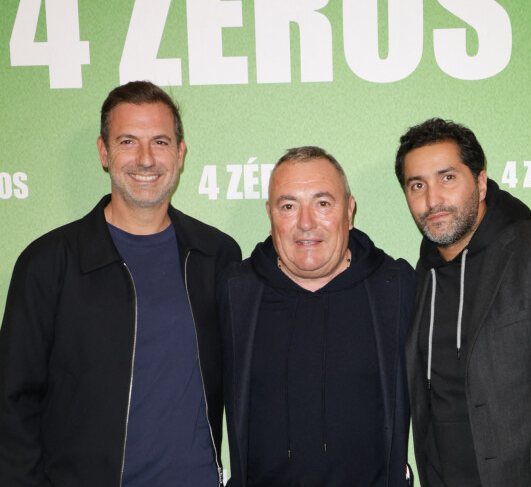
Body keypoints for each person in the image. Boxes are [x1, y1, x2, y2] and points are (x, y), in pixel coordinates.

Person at [0, 81, 241, 486]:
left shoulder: (216, 256)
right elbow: (11, 404)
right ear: (103, 152)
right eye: (128, 141)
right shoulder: (48, 263)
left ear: (180, 154)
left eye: (160, 142)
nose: (145, 159)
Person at [395, 117, 531, 487]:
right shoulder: (416, 279)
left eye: (447, 178)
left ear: (480, 183)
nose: (433, 200)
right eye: (418, 185)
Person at [219, 146, 415, 487]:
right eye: (288, 206)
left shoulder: (396, 287)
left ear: (349, 211)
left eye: (323, 203)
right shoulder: (235, 291)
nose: (306, 223)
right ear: (270, 214)